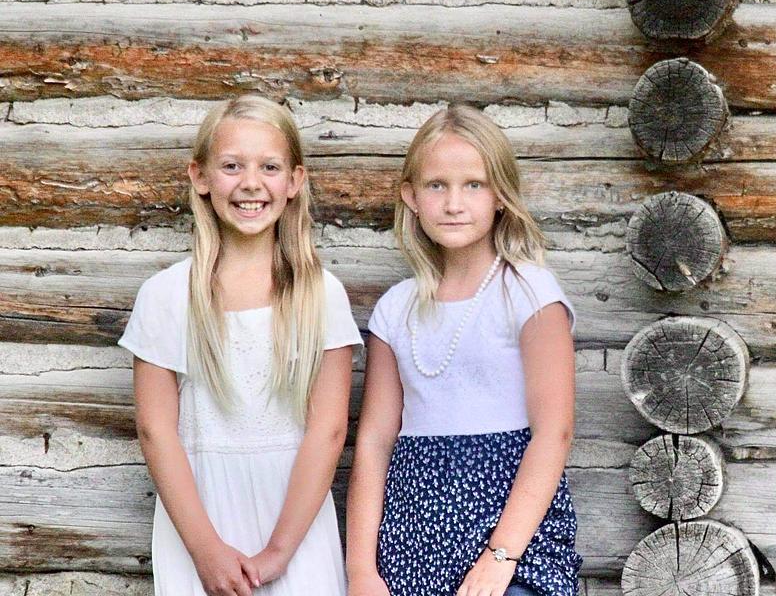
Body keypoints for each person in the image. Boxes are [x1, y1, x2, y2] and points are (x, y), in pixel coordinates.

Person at [118, 95, 362, 596]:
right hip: (201, 520)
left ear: (294, 181)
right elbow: (155, 430)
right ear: (201, 177)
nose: (251, 183)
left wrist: (280, 551)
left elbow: (329, 430)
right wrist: (206, 550)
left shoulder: (321, 295)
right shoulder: (166, 295)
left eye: (269, 167)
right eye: (232, 166)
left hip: (295, 520)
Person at [346, 105, 582, 596]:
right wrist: (361, 570)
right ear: (411, 196)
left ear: (500, 196)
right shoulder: (396, 309)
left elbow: (553, 433)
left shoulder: (530, 293)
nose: (454, 203)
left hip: (512, 542)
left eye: (473, 185)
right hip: (412, 539)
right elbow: (374, 442)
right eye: (437, 185)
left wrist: (501, 556)